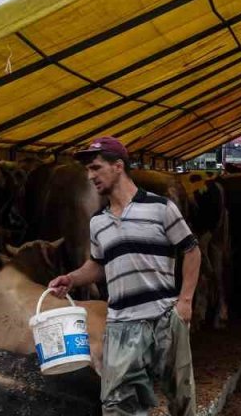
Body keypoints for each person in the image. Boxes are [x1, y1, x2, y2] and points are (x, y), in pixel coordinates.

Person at [48, 137, 201, 416]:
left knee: (182, 402)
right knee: (117, 406)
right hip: (121, 326)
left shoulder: (161, 208)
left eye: (96, 168)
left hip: (165, 319)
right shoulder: (98, 221)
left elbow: (191, 250)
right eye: (88, 170)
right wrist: (70, 278)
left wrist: (185, 302)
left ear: (118, 166)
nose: (90, 176)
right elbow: (97, 264)